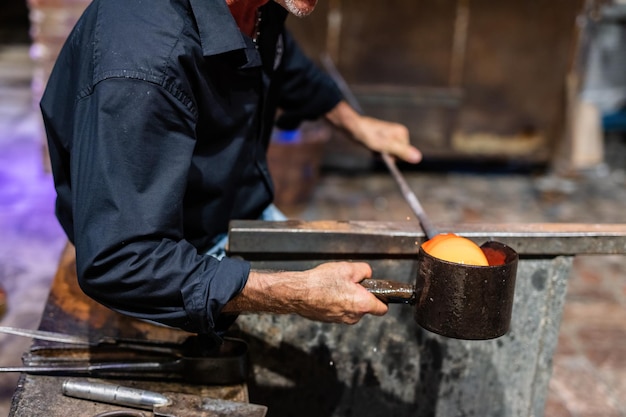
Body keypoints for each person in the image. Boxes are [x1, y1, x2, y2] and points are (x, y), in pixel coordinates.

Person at [40, 0, 422, 337]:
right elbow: (123, 261)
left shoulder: (256, 7)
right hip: (169, 266)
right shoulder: (142, 61)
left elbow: (277, 56)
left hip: (233, 212)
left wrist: (353, 122)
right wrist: (297, 294)